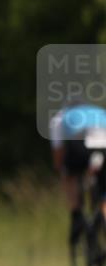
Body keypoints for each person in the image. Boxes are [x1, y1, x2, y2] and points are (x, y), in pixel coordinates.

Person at [50, 103, 106, 252]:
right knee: (103, 195)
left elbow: (58, 156)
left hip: (83, 145)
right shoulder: (99, 111)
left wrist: (63, 170)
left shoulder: (59, 118)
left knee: (68, 175)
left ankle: (76, 216)